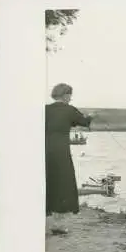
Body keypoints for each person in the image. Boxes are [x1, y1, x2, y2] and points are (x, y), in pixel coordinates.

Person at [45, 83, 92, 234]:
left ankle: (48, 219)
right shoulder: (70, 110)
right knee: (63, 184)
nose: (71, 98)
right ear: (65, 95)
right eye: (70, 95)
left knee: (48, 182)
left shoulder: (45, 109)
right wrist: (91, 116)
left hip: (44, 151)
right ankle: (57, 224)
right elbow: (84, 122)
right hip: (61, 151)